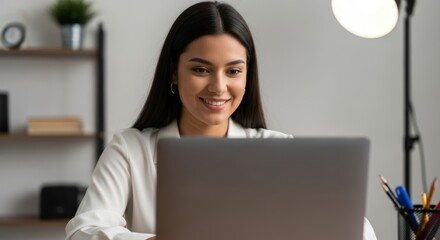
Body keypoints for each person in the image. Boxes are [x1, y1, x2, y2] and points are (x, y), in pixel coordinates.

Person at [65, 2, 377, 240]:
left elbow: (359, 231)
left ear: (247, 75)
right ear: (174, 72)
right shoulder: (131, 150)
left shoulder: (278, 150)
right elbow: (84, 232)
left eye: (233, 70)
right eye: (200, 69)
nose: (218, 86)